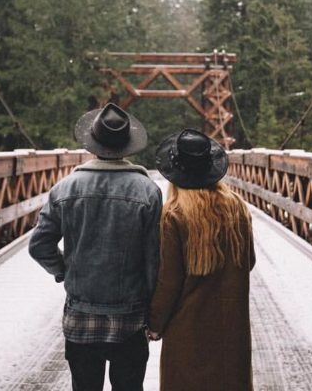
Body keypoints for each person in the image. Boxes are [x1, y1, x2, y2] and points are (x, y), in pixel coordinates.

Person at [29, 103, 162, 391]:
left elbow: (39, 245)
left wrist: (64, 269)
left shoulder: (65, 188)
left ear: (93, 144)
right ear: (128, 146)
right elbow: (153, 259)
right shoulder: (148, 191)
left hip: (81, 314)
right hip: (129, 316)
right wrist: (154, 312)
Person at [147, 129, 255, 391]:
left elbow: (169, 282)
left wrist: (154, 324)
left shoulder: (174, 214)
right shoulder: (238, 208)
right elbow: (248, 261)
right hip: (232, 329)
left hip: (188, 333)